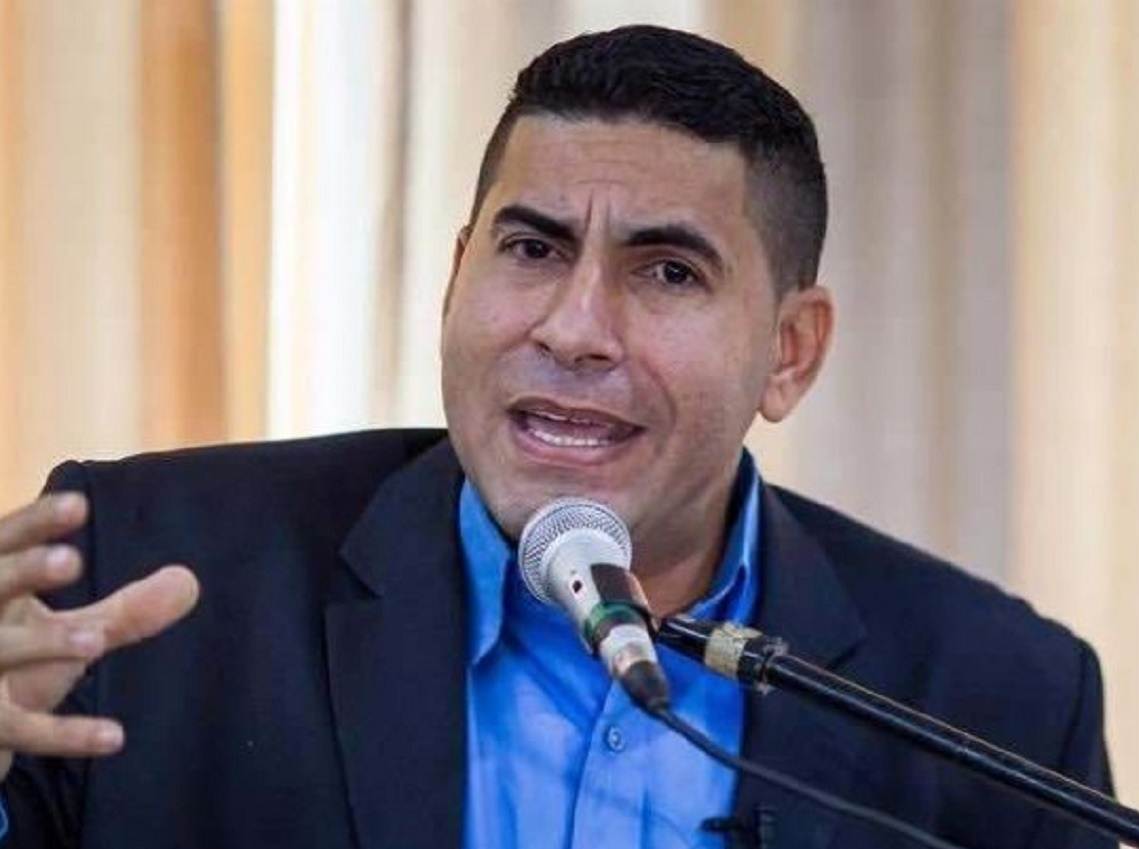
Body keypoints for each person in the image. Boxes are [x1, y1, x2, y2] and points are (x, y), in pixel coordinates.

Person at [0, 24, 1114, 849]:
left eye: (666, 272)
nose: (572, 328)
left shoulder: (996, 705)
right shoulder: (137, 580)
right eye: (530, 250)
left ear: (789, 351)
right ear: (455, 277)